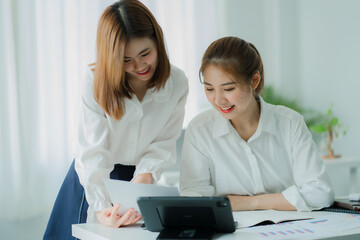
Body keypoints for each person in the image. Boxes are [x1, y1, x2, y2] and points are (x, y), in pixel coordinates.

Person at [44, 0, 188, 239]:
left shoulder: (177, 83)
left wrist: (144, 177)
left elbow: (163, 142)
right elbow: (92, 151)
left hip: (139, 180)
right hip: (93, 179)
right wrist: (101, 207)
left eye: (146, 53)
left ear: (158, 42)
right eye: (125, 60)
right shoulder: (94, 81)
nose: (140, 66)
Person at [179, 36, 334, 212]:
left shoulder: (290, 123)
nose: (218, 100)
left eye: (229, 89)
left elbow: (320, 193)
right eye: (209, 89)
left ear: (254, 80)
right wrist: (284, 200)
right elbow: (194, 199)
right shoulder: (200, 129)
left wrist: (248, 203)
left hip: (290, 229)